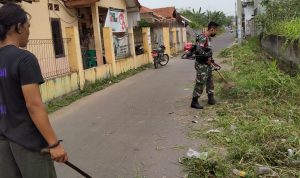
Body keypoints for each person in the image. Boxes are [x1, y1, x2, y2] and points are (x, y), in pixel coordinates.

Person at [0, 3, 68, 178]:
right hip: (28, 143)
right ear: (19, 27)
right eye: (28, 26)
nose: (29, 31)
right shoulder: (24, 59)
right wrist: (54, 144)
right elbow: (34, 105)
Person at [191, 22, 220, 109]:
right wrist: (207, 57)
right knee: (200, 82)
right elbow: (199, 50)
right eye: (216, 30)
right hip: (201, 64)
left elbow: (207, 51)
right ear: (212, 29)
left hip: (207, 64)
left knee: (210, 81)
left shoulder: (208, 38)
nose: (216, 32)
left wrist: (211, 60)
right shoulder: (203, 37)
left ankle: (211, 99)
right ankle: (194, 102)